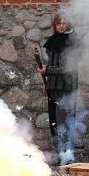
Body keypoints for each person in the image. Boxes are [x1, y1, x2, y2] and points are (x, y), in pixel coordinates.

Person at [37, 13, 79, 166]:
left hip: (66, 87)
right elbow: (51, 65)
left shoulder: (72, 42)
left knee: (64, 122)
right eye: (58, 23)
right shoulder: (53, 40)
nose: (61, 26)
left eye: (64, 23)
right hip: (54, 86)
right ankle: (60, 154)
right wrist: (47, 83)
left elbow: (67, 68)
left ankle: (68, 156)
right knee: (54, 122)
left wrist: (47, 71)